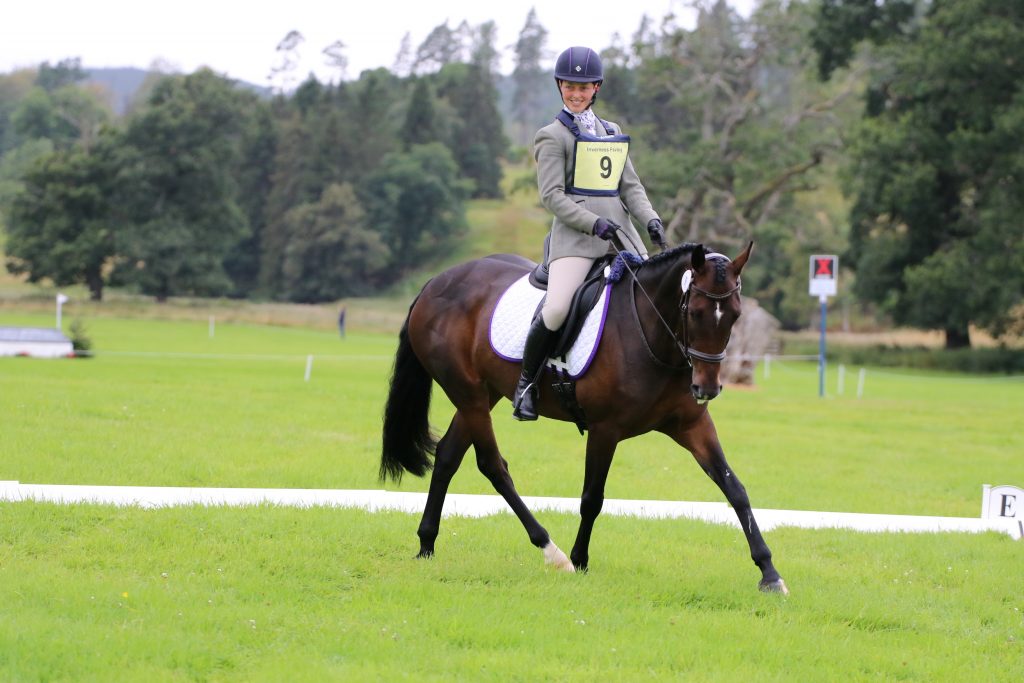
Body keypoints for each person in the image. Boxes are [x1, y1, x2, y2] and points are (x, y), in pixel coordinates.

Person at [512, 45, 667, 421]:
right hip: (576, 241)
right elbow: (552, 197)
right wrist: (591, 222)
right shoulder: (552, 136)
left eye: (584, 87)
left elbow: (630, 187)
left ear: (596, 87)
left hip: (622, 237)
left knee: (655, 299)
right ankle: (526, 384)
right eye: (569, 86)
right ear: (560, 86)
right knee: (557, 308)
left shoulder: (611, 132)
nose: (576, 94)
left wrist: (651, 220)